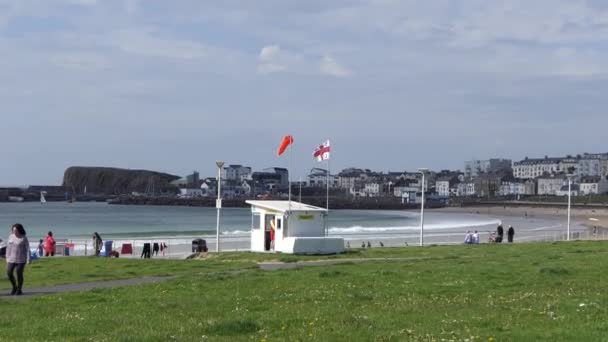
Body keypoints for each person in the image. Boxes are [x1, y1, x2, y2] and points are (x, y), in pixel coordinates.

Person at [6, 223, 31, 295]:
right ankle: (14, 287)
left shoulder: (24, 238)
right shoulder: (11, 236)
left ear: (20, 230)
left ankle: (19, 289)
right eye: (13, 230)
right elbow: (8, 248)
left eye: (16, 231)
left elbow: (27, 249)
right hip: (11, 259)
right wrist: (7, 257)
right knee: (9, 272)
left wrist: (28, 259)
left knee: (18, 273)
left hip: (21, 259)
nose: (14, 232)